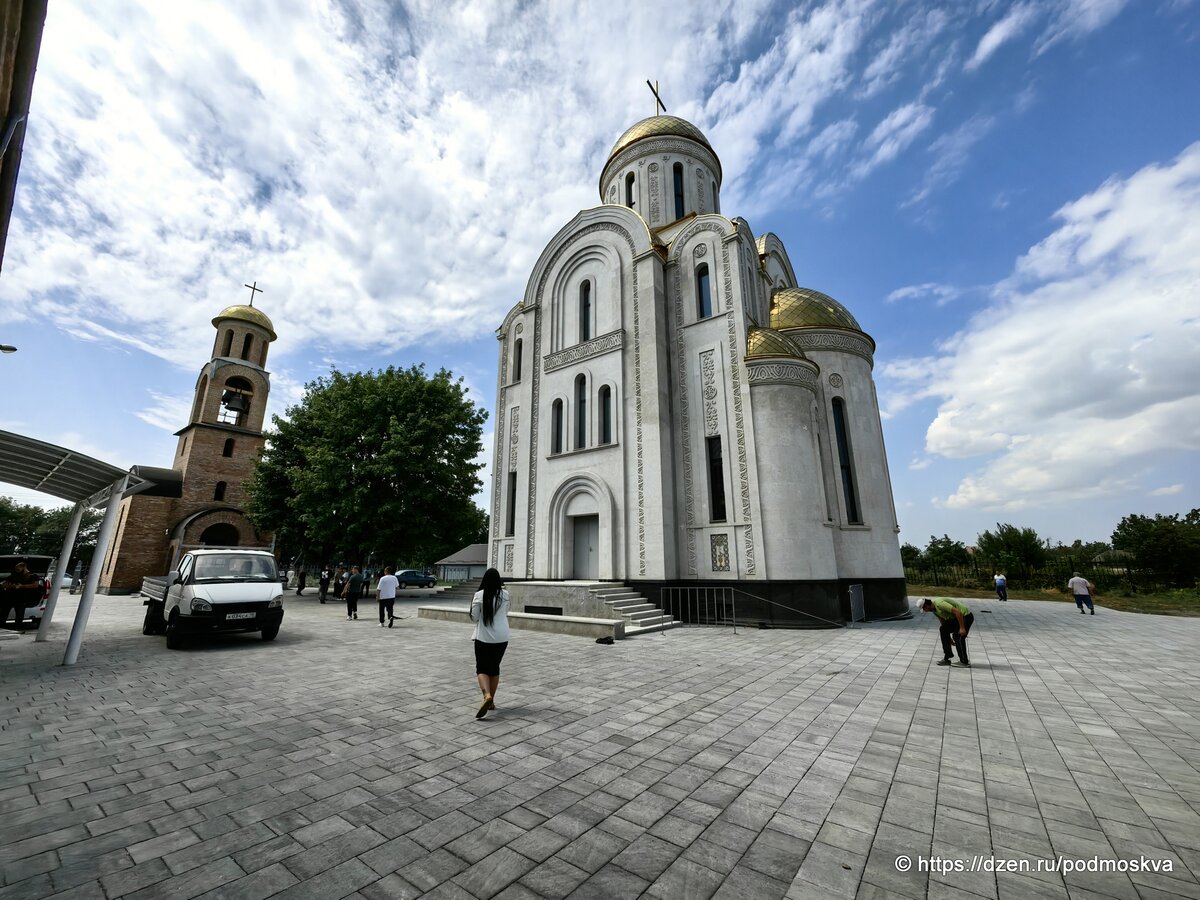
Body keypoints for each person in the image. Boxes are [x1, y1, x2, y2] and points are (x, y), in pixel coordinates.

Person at [470, 568, 510, 719]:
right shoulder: (505, 595)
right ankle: (491, 701)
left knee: (482, 668)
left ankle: (486, 696)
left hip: (484, 637)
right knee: (494, 668)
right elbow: (506, 613)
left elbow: (474, 618)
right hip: (502, 637)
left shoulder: (479, 595)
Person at [919, 597, 974, 667]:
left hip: (965, 616)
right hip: (955, 618)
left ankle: (964, 661)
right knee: (943, 629)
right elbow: (943, 621)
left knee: (957, 636)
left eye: (924, 609)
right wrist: (948, 637)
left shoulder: (940, 604)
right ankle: (947, 657)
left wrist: (962, 628)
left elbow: (958, 612)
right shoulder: (934, 610)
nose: (925, 611)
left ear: (926, 606)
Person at [1, 560, 41, 630]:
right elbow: (4, 582)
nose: (16, 570)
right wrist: (8, 585)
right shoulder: (14, 575)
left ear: (24, 567)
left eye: (18, 568)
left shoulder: (33, 576)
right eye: (16, 569)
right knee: (4, 613)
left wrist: (22, 586)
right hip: (9, 598)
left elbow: (35, 585)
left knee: (19, 614)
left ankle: (18, 628)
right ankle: (1, 626)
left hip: (21, 598)